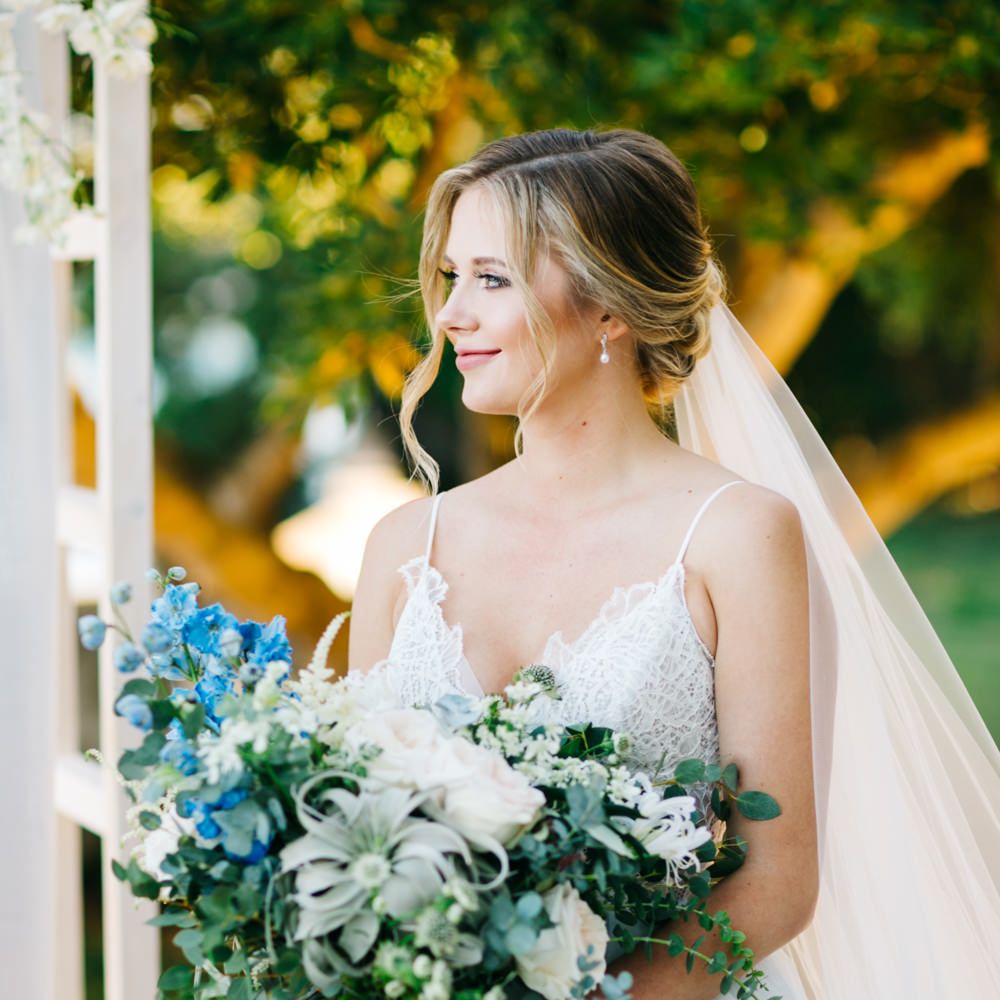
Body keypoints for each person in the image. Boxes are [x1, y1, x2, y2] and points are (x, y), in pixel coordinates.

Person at [348, 128, 1000, 999]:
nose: (450, 314)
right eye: (452, 278)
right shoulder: (403, 547)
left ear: (611, 307)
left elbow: (774, 879)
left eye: (491, 279)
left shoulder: (738, 536)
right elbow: (352, 822)